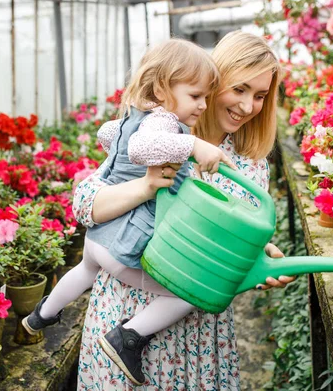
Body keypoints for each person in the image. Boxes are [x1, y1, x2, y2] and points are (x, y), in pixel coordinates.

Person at [74, 31, 296, 390]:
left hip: (197, 331)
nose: (247, 106)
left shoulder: (249, 164)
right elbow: (86, 205)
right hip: (125, 310)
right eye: (238, 89)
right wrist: (145, 186)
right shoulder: (158, 132)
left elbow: (237, 239)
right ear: (211, 81)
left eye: (259, 96)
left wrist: (259, 255)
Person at [22, 38, 236, 383]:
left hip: (98, 240)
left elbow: (110, 134)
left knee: (83, 270)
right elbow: (141, 147)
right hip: (123, 242)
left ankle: (42, 314)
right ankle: (128, 337)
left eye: (206, 97)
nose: (202, 105)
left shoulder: (136, 117)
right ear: (164, 87)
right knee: (190, 292)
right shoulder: (164, 123)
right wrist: (194, 143)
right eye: (196, 96)